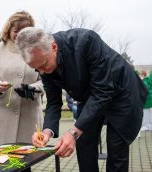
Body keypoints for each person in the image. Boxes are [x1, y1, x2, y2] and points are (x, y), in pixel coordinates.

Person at [16, 27, 148, 172]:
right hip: (90, 96)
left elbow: (103, 92)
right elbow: (54, 102)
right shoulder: (43, 60)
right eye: (36, 69)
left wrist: (73, 132)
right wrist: (46, 132)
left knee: (116, 149)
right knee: (83, 144)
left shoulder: (87, 41)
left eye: (43, 65)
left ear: (54, 47)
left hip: (123, 95)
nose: (42, 72)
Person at [0, 11, 44, 150]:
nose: (19, 35)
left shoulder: (37, 49)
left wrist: (33, 89)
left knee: (25, 162)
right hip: (2, 118)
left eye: (24, 31)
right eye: (16, 30)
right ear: (9, 30)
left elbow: (45, 81)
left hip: (29, 118)